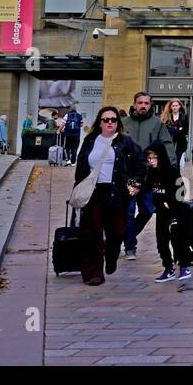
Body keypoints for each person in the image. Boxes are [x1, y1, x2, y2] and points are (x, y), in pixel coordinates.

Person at [74, 107, 144, 286]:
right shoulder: (90, 140)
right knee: (92, 231)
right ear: (99, 122)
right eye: (106, 120)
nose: (110, 122)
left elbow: (141, 164)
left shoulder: (125, 142)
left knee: (116, 231)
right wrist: (78, 188)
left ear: (118, 123)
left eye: (113, 119)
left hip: (117, 192)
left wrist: (134, 185)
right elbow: (81, 166)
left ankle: (111, 256)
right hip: (93, 192)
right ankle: (94, 272)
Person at [121, 91, 166, 260]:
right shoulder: (124, 124)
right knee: (129, 212)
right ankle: (130, 247)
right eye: (140, 102)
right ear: (134, 104)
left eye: (146, 103)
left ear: (150, 105)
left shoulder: (157, 124)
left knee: (148, 210)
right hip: (129, 177)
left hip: (149, 177)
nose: (143, 106)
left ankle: (126, 236)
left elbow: (165, 147)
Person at [139, 145, 191, 283]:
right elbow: (146, 187)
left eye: (154, 157)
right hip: (161, 211)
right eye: (149, 158)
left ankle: (184, 266)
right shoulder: (151, 173)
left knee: (177, 238)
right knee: (161, 240)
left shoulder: (172, 172)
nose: (151, 161)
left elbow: (182, 192)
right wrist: (132, 184)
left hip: (175, 211)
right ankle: (168, 268)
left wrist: (171, 202)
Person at [160, 99, 189, 170]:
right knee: (169, 161)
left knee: (177, 161)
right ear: (170, 107)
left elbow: (185, 130)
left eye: (176, 105)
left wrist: (175, 130)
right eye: (173, 106)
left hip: (180, 143)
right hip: (169, 142)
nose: (175, 107)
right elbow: (165, 130)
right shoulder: (166, 117)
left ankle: (176, 178)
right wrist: (177, 129)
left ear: (179, 106)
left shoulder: (184, 116)